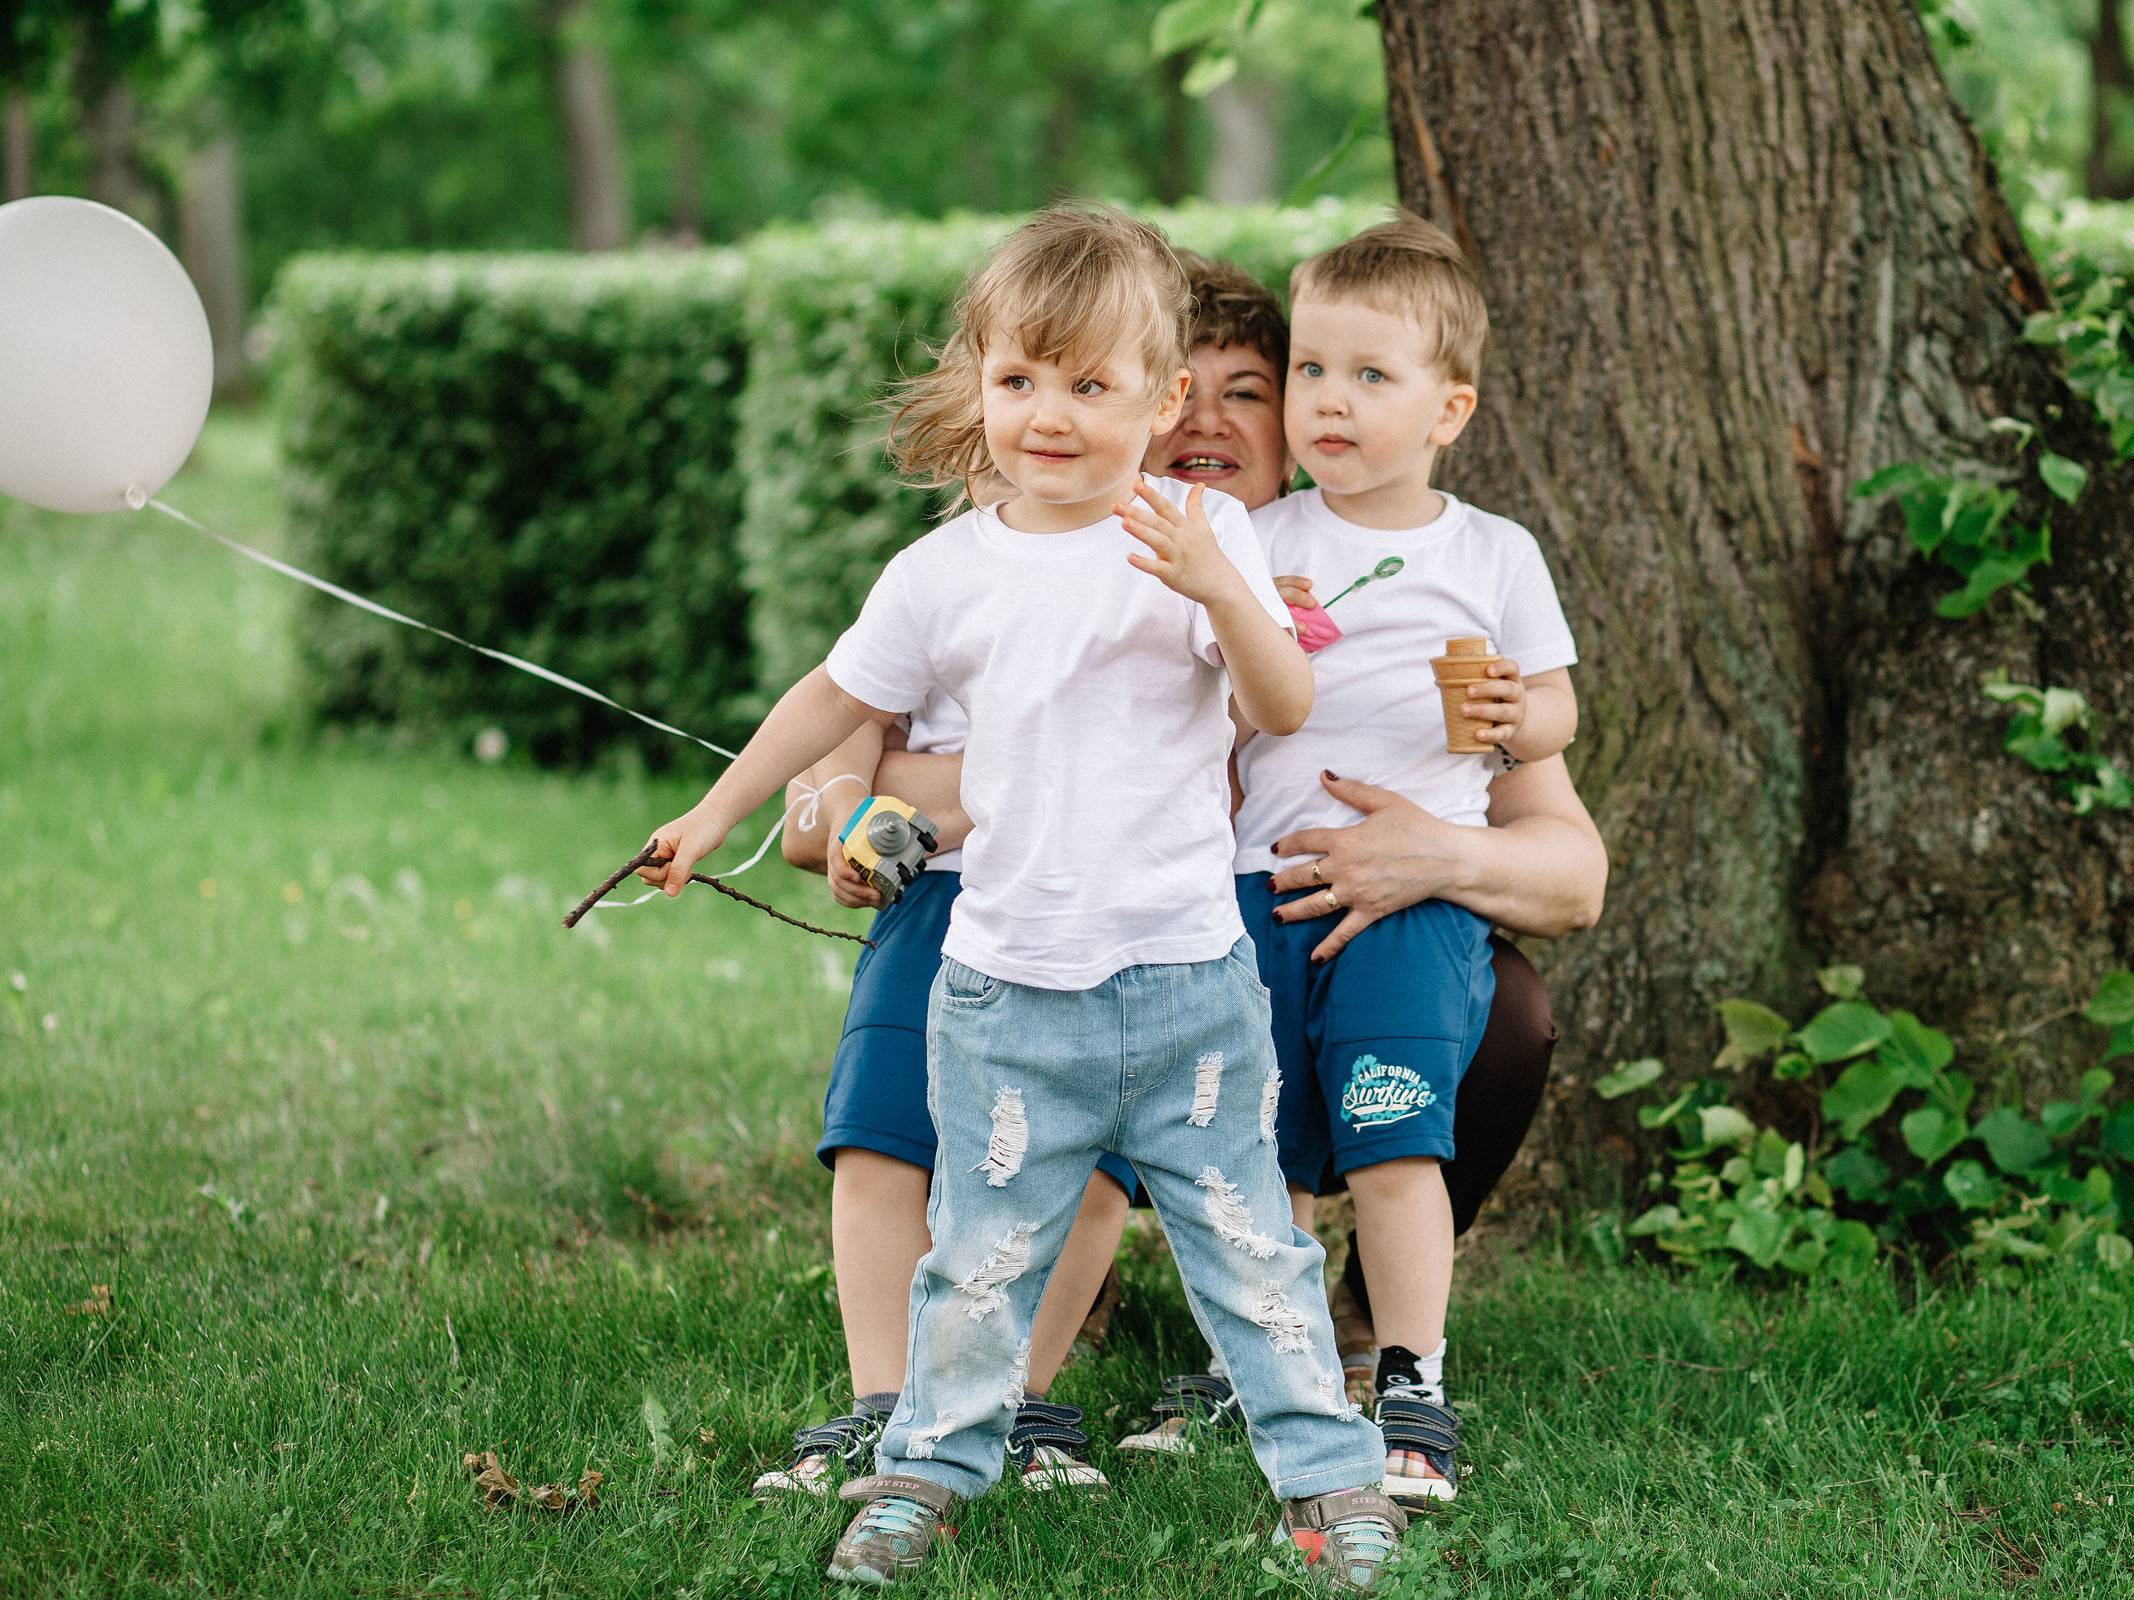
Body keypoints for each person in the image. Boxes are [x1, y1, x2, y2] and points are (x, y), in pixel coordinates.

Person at [634, 206, 1407, 1592]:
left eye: (1092, 386)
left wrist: (1220, 588)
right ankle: (923, 1469)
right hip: (1000, 993)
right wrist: (711, 815)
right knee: (977, 1260)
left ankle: (1335, 1483)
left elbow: (1282, 701)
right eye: (1020, 381)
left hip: (1186, 987)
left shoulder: (1200, 532)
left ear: (1162, 399)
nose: (1050, 416)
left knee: (1252, 1251)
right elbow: (832, 698)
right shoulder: (941, 576)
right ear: (981, 381)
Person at [757, 251, 1298, 1502]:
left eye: (1237, 397)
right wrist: (853, 806)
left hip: (1132, 915)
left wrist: (941, 780)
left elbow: (1217, 745)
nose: (1205, 426)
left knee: (1098, 1151)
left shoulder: (1212, 566)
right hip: (957, 898)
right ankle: (885, 1400)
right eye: (1027, 379)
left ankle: (1017, 1399)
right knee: (886, 1126)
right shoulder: (961, 563)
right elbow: (842, 738)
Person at [1226, 215, 1578, 1510]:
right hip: (1258, 889)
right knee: (1258, 1140)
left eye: (1372, 377)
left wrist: (1515, 723)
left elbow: (1554, 708)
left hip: (1416, 904)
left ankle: (1412, 1379)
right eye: (1312, 369)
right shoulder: (1257, 543)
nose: (1330, 400)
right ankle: (1267, 1357)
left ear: (1450, 407)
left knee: (1390, 1131)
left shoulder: (1491, 554)